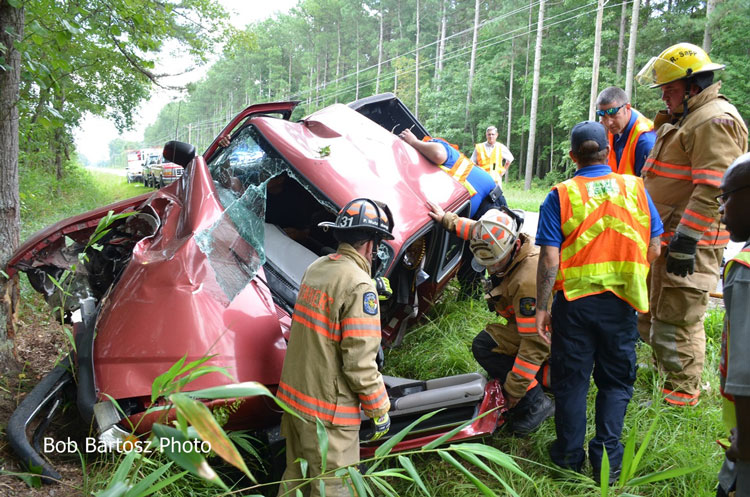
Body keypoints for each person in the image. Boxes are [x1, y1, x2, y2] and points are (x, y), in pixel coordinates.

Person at [535, 121, 663, 483]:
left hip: (574, 305)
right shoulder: (635, 188)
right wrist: (630, 274)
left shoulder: (560, 194)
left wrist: (542, 307)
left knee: (571, 383)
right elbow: (654, 245)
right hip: (622, 303)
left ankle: (568, 459)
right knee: (616, 383)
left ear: (573, 155)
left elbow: (548, 257)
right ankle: (608, 461)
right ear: (608, 149)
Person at [635, 42, 748, 407]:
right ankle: (663, 383)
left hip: (692, 243)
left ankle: (679, 399)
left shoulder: (713, 120)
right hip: (671, 239)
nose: (665, 97)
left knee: (678, 320)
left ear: (692, 86)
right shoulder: (688, 117)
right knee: (659, 312)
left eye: (669, 90)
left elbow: (714, 188)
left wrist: (685, 241)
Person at [276, 198, 393, 497]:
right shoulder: (359, 286)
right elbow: (360, 364)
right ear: (370, 244)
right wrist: (379, 410)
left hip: (295, 401)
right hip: (328, 416)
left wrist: (367, 283)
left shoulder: (317, 267)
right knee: (333, 488)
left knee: (296, 480)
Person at [428, 202, 554, 435]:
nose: (492, 269)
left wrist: (513, 393)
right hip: (541, 331)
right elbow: (478, 231)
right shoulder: (501, 239)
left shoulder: (527, 280)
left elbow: (534, 344)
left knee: (484, 345)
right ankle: (543, 378)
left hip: (550, 336)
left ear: (514, 246)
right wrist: (448, 220)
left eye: (496, 263)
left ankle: (536, 403)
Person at [399, 128, 506, 298]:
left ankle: (493, 298)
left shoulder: (435, 145)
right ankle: (480, 297)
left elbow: (438, 154)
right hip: (476, 212)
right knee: (472, 262)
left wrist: (413, 142)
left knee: (490, 257)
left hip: (488, 206)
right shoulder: (425, 170)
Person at [716, 153, 750, 497]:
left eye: (726, 196)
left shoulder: (745, 271)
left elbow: (745, 376)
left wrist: (744, 445)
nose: (721, 208)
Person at [595, 86, 655, 176]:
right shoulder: (615, 129)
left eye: (613, 114)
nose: (609, 123)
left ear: (627, 108)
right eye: (603, 116)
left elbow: (646, 186)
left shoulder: (645, 140)